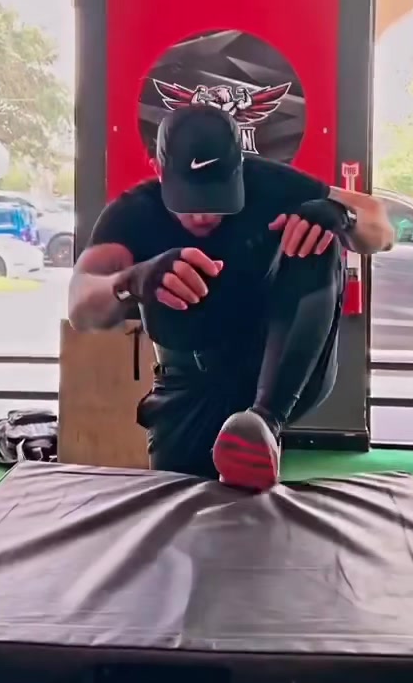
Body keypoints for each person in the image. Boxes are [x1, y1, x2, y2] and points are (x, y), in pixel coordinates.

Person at [69, 106, 393, 491]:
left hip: (276, 368)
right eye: (190, 200)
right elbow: (79, 307)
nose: (204, 214)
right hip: (189, 384)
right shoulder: (134, 213)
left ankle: (264, 421)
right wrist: (132, 280)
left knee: (315, 233)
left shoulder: (269, 183)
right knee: (177, 505)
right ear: (159, 170)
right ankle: (248, 436)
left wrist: (343, 217)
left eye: (217, 196)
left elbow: (381, 228)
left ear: (240, 167)